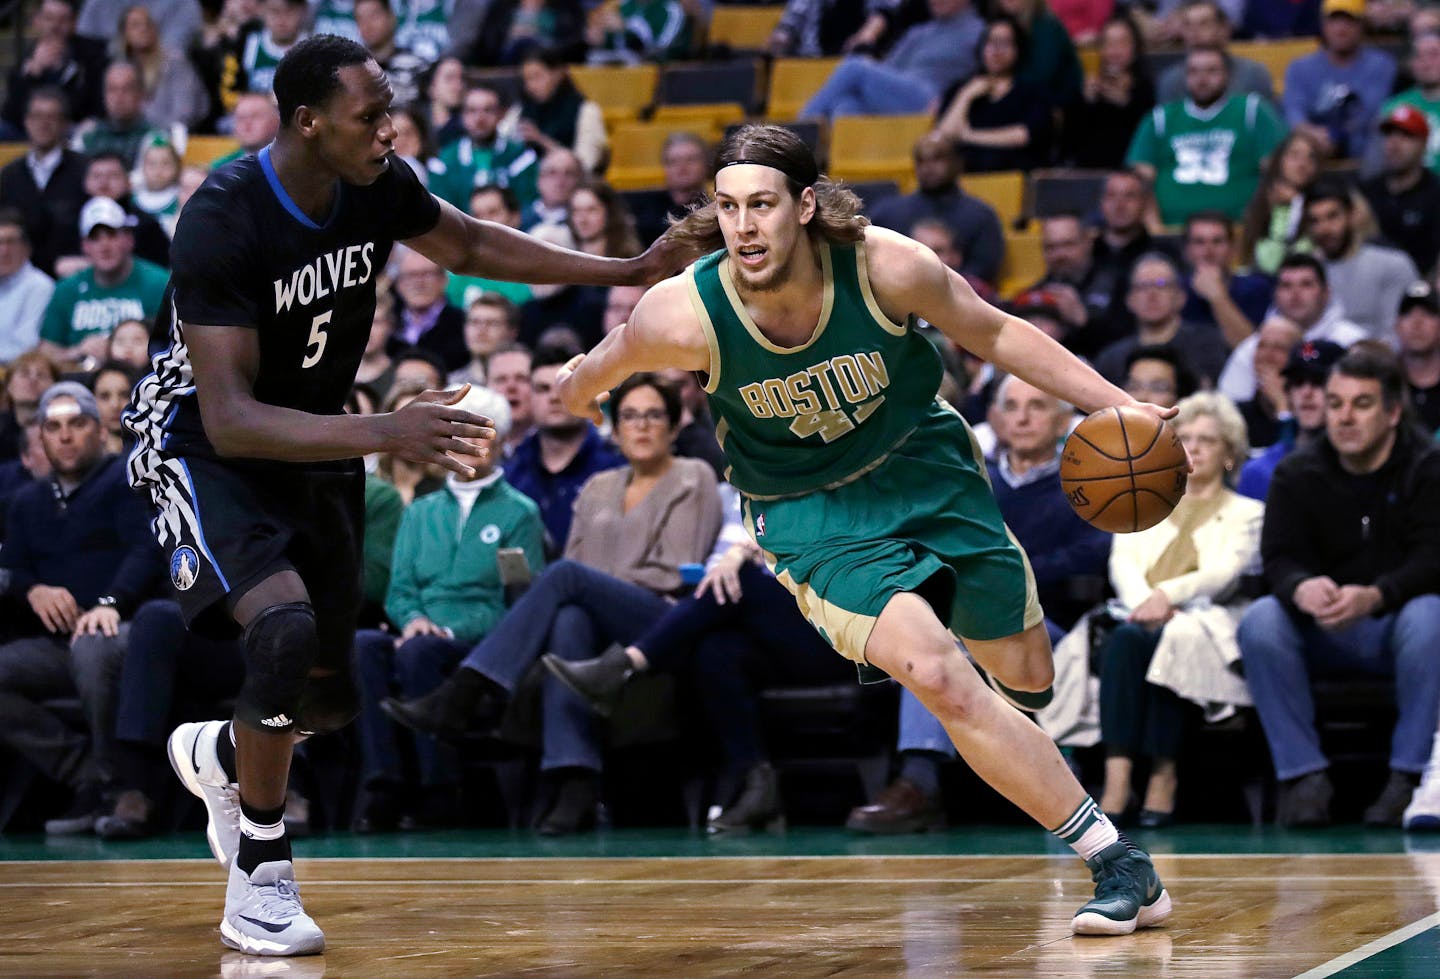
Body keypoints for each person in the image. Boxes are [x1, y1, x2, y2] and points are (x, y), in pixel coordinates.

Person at [120, 34, 685, 957]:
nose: (391, 127)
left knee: (327, 703)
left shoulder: (374, 179)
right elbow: (229, 419)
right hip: (202, 445)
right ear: (307, 123)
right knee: (282, 631)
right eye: (369, 115)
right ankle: (260, 877)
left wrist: (622, 272)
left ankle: (220, 755)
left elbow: (464, 241)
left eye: (390, 109)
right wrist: (388, 429)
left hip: (316, 435)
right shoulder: (221, 215)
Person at [546, 123, 1175, 936]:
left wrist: (1112, 403)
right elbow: (599, 367)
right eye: (728, 206)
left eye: (763, 205)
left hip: (924, 465)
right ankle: (1117, 859)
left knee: (1025, 679)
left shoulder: (887, 266)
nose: (743, 226)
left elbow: (995, 332)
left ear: (805, 206)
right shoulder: (685, 313)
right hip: (812, 514)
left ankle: (1002, 688)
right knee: (939, 675)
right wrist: (570, 386)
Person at [381, 373, 723, 835]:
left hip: (660, 619)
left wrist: (594, 584)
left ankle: (466, 689)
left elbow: (672, 569)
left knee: (564, 580)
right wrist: (590, 586)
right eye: (630, 416)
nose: (642, 426)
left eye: (654, 415)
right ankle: (574, 779)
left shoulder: (694, 475)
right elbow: (580, 570)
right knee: (568, 616)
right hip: (594, 614)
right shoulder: (599, 485)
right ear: (615, 428)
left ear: (673, 424)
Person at [848, 376, 1110, 834]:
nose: (1022, 417)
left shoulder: (1084, 479)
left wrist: (1001, 573)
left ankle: (921, 780)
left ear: (1064, 419)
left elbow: (1092, 554)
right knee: (926, 642)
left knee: (948, 642)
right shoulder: (968, 475)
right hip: (964, 615)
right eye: (1010, 406)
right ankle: (919, 783)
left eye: (1037, 405)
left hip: (1056, 623)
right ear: (992, 418)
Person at [1237, 347, 1440, 828]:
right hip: (1320, 628)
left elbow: (1434, 558)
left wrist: (1377, 595)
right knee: (1261, 619)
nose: (1344, 417)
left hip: (1395, 624)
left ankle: (1408, 778)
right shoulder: (1296, 472)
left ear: (1393, 412)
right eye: (1335, 403)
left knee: (1431, 614)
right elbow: (1277, 559)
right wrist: (1301, 586)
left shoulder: (1427, 468)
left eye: (1361, 404)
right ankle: (1303, 776)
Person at [352, 385, 545, 831]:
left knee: (419, 653)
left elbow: (518, 604)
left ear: (501, 443)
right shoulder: (420, 511)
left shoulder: (521, 513)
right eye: (459, 433)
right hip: (418, 632)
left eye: (481, 434)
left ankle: (440, 790)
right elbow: (400, 590)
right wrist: (415, 620)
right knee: (365, 646)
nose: (470, 445)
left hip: (477, 643)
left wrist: (448, 629)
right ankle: (384, 784)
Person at [1094, 392, 1261, 828]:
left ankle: (1159, 777)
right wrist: (1142, 606)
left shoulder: (1249, 514)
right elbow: (1122, 565)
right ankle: (1120, 775)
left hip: (1210, 619)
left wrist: (1166, 597)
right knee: (1135, 636)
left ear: (1230, 453)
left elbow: (1225, 572)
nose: (1195, 447)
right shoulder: (1138, 504)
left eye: (1208, 439)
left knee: (1173, 638)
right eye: (1184, 437)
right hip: (1134, 618)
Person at [0, 382, 159, 836]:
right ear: (41, 438)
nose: (65, 436)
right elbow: (11, 569)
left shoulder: (127, 479)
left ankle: (122, 787)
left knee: (93, 647)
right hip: (54, 646)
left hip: (126, 629)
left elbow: (147, 552)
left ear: (98, 430)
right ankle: (86, 773)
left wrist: (112, 602)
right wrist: (32, 590)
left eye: (77, 424)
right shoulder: (27, 501)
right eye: (53, 426)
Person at [1127, 45, 1288, 226]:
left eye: (1211, 71)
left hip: (1239, 228)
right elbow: (1138, 181)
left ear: (1228, 75)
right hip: (1172, 229)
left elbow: (1279, 172)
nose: (1202, 79)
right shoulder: (1160, 119)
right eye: (1193, 72)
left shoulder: (1252, 111)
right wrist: (1155, 229)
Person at [504, 346, 626, 547]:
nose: (554, 397)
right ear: (530, 397)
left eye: (565, 387)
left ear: (589, 392)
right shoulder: (510, 473)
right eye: (543, 389)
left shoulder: (618, 466)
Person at [38, 198, 169, 371]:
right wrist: (77, 351)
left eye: (112, 235)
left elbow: (175, 344)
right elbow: (46, 350)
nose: (104, 246)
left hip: (144, 379)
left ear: (129, 240)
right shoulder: (66, 289)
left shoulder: (158, 283)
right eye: (95, 238)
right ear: (85, 246)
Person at [1217, 253, 1368, 403]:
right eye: (1286, 286)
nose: (1295, 294)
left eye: (1306, 284)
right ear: (1275, 294)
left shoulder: (1352, 342)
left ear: (1326, 293)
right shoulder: (1254, 347)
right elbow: (1229, 404)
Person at [799, 0, 984, 120]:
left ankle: (799, 131)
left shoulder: (978, 31)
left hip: (934, 98)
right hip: (901, 91)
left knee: (855, 66)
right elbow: (889, 68)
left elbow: (985, 72)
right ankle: (855, 173)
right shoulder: (919, 32)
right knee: (846, 105)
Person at [868, 133, 1004, 287]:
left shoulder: (981, 216)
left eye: (938, 159)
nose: (928, 168)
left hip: (962, 300)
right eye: (921, 161)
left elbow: (983, 271)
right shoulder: (887, 214)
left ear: (957, 162)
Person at [1303, 178, 1419, 345]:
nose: (1324, 229)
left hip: (1376, 365)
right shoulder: (1302, 274)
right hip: (1313, 361)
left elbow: (1400, 339)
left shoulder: (1392, 265)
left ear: (1352, 216)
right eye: (1315, 221)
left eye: (1332, 216)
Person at [935, 14, 1054, 174]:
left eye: (1004, 43)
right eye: (990, 42)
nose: (996, 51)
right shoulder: (961, 88)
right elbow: (944, 136)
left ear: (1018, 49)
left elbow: (1024, 135)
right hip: (965, 176)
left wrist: (969, 135)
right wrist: (966, 96)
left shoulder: (1032, 91)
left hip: (1015, 172)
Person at [1093, 252, 1231, 387]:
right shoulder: (1111, 358)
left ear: (1180, 297)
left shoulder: (1207, 344)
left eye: (1161, 284)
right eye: (1142, 286)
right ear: (1129, 300)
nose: (1151, 294)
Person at [1282, 0, 1395, 161]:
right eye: (1334, 20)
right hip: (1312, 147)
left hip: (1363, 151)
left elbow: (1371, 113)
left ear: (1362, 25)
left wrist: (1335, 135)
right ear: (1323, 25)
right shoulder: (1299, 68)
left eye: (1349, 21)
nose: (1341, 29)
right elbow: (1293, 111)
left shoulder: (1381, 65)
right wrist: (1312, 133)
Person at [1237, 339, 1346, 501]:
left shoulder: (1360, 465)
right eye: (1298, 382)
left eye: (1319, 382)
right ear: (1287, 393)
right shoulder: (1260, 471)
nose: (1306, 393)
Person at [0, 89, 89, 279]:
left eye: (51, 117)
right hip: (18, 279)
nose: (43, 124)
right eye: (37, 116)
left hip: (72, 276)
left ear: (64, 124)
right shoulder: (8, 175)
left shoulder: (85, 170)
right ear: (26, 121)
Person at [1063, 13, 1156, 170]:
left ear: (1135, 48)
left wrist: (1127, 104)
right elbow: (1068, 142)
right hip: (1087, 171)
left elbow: (1151, 139)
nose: (1115, 51)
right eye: (1108, 43)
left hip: (1130, 172)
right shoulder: (1086, 86)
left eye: (1122, 43)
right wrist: (1085, 101)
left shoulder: (1145, 88)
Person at [1360, 105, 1440, 278]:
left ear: (1424, 144)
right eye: (1389, 135)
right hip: (1371, 282)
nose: (1394, 144)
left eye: (1406, 136)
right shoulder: (1366, 192)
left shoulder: (1435, 193)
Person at [1179, 211, 1271, 349]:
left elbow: (1251, 351)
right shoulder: (1174, 290)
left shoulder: (1257, 288)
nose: (1208, 251)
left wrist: (1218, 297)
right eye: (1199, 242)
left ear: (1233, 249)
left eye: (1217, 241)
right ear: (1187, 250)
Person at [1153, 0, 1274, 105]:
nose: (1194, 32)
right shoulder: (1170, 80)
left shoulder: (1252, 74)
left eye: (1204, 24)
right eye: (1187, 25)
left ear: (1224, 29)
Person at [1238, 130, 1323, 276]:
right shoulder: (1261, 202)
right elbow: (1269, 263)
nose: (1303, 164)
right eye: (1294, 155)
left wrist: (1296, 204)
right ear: (1279, 160)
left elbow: (1302, 255)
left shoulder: (1323, 203)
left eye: (1311, 158)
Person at [510, 48, 608, 175]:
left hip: (575, 187)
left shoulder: (587, 111)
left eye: (537, 77)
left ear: (558, 74)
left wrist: (542, 141)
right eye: (527, 79)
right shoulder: (520, 110)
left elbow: (585, 164)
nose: (530, 86)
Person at [116, 3, 211, 131]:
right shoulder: (121, 70)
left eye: (148, 24)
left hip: (172, 137)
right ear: (124, 34)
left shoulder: (175, 63)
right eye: (135, 25)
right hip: (130, 136)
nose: (143, 29)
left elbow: (185, 113)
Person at [70, 61, 172, 170]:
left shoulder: (156, 137)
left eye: (127, 89)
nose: (119, 97)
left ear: (140, 94)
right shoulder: (88, 135)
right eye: (112, 90)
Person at [628, 131, 711, 248]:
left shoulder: (716, 211)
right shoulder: (641, 212)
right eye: (673, 162)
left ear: (706, 165)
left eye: (691, 160)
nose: (682, 168)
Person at [1235, 315, 1303, 449]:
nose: (1266, 355)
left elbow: (1288, 462)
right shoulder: (1238, 414)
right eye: (1261, 346)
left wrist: (1282, 407)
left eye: (1279, 348)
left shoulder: (1308, 413)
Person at [0, 210, 56, 362]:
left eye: (10, 242)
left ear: (26, 247)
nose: (4, 251)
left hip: (16, 373)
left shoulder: (40, 286)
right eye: (0, 242)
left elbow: (26, 348)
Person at [1395, 280, 1440, 432]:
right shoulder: (1384, 382)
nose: (1417, 323)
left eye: (1427, 313)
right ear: (1397, 325)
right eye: (1408, 314)